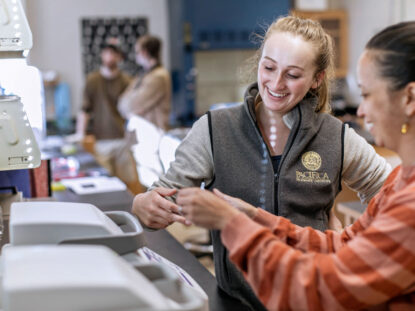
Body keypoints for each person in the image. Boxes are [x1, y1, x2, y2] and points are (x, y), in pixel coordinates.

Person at [132, 16, 391, 310]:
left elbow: (391, 199)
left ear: (317, 79)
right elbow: (165, 195)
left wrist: (349, 244)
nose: (276, 83)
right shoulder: (215, 130)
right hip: (237, 301)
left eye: (292, 75)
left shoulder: (337, 137)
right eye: (268, 67)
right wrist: (144, 203)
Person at [70, 43, 140, 192]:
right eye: (106, 53)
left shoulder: (126, 81)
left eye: (113, 53)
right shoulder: (93, 80)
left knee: (127, 182)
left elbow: (132, 110)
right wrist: (80, 134)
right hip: (101, 141)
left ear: (119, 57)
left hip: (122, 139)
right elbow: (85, 109)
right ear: (102, 55)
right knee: (105, 182)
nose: (109, 57)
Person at [118, 35, 171, 131]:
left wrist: (128, 105)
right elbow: (121, 105)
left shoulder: (158, 77)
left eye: (137, 52)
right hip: (143, 135)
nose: (136, 55)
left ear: (144, 52)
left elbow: (132, 106)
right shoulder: (143, 76)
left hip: (154, 136)